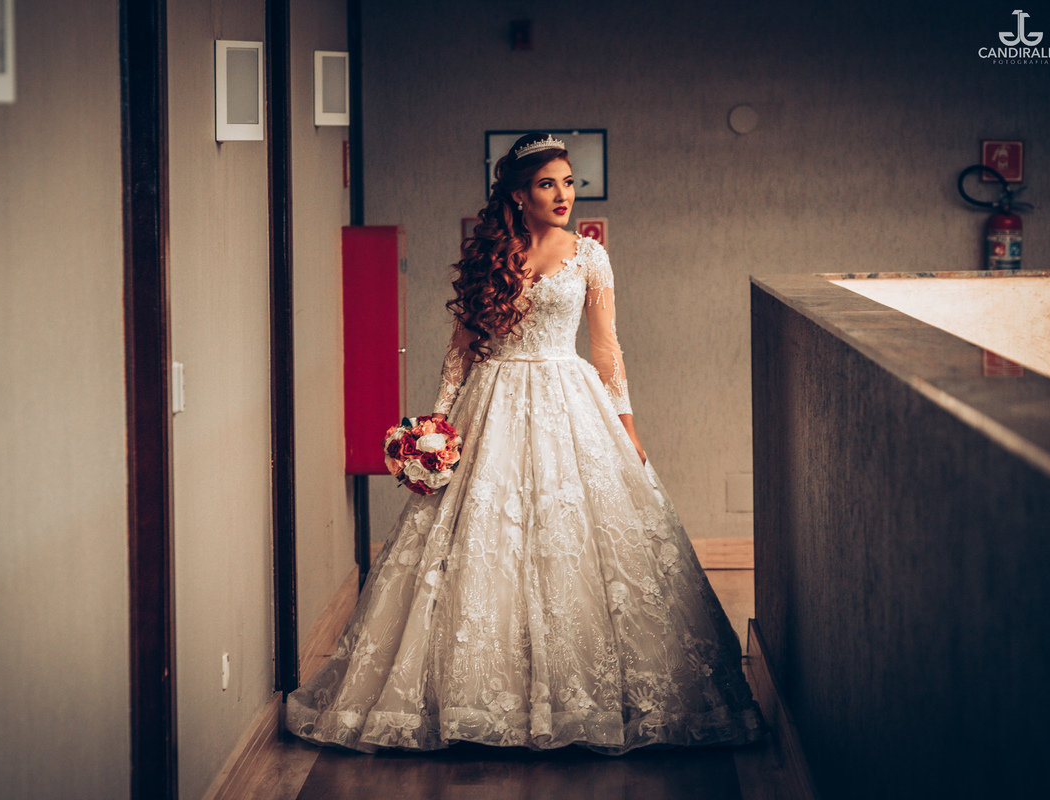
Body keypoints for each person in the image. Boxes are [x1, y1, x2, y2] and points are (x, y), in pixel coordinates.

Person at [287, 132, 764, 754]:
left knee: (576, 540)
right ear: (519, 194)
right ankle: (480, 698)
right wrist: (435, 426)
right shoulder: (491, 254)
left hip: (570, 399)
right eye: (547, 184)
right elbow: (461, 349)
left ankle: (585, 698)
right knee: (484, 544)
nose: (563, 195)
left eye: (569, 183)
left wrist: (627, 425)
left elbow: (606, 346)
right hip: (493, 403)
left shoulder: (590, 256)